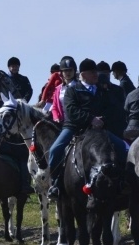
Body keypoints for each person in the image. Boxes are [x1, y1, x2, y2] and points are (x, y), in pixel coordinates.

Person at [47, 58, 128, 200]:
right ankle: (55, 184)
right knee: (55, 149)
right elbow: (71, 110)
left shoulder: (102, 91)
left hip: (99, 130)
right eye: (92, 72)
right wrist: (90, 119)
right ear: (83, 74)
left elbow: (111, 109)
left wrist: (102, 120)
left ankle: (122, 180)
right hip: (74, 127)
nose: (96, 75)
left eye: (96, 72)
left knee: (123, 147)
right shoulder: (72, 90)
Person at [97, 61, 127, 138]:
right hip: (98, 128)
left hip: (115, 128)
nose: (105, 76)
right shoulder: (94, 89)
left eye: (107, 74)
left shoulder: (118, 90)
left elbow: (120, 109)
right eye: (102, 74)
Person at [49, 57, 77, 124]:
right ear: (61, 72)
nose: (68, 72)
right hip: (61, 122)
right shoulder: (58, 89)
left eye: (70, 70)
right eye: (65, 70)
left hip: (76, 122)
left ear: (74, 71)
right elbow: (54, 107)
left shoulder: (79, 87)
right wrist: (56, 118)